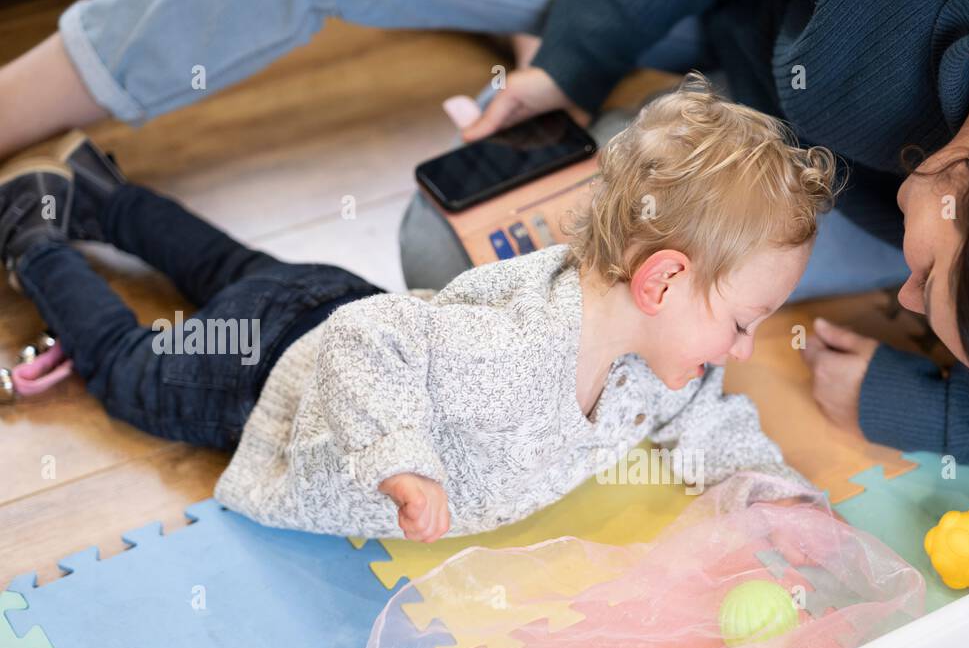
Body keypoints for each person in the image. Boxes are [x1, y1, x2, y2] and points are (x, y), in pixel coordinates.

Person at [0, 79, 833, 541]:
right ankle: (32, 231)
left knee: (230, 268)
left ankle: (106, 196)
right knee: (129, 373)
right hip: (263, 376)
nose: (746, 348)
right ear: (661, 281)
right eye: (740, 322)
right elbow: (362, 343)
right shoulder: (520, 349)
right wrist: (402, 461)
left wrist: (772, 491)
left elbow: (702, 420)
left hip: (321, 302)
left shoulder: (654, 357)